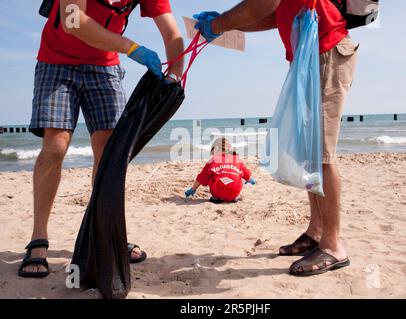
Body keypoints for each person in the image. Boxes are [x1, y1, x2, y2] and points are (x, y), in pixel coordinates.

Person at [19, 0, 184, 278]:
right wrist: (132, 48)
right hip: (57, 60)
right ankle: (38, 240)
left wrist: (175, 76)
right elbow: (73, 22)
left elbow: (172, 35)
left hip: (104, 67)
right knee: (56, 145)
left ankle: (107, 234)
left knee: (109, 152)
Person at [193, 0, 358, 276]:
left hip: (326, 50)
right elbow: (274, 14)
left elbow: (262, 4)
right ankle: (316, 231)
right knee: (308, 152)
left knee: (321, 154)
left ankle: (333, 246)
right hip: (310, 55)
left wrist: (217, 24)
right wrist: (224, 26)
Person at [185, 138, 256, 204]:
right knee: (237, 176)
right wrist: (250, 180)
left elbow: (201, 177)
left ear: (215, 149)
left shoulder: (213, 160)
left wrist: (193, 189)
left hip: (218, 192)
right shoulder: (237, 159)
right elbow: (245, 173)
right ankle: (233, 197)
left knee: (209, 174)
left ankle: (216, 198)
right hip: (234, 192)